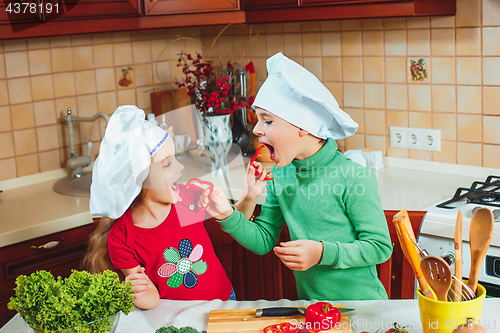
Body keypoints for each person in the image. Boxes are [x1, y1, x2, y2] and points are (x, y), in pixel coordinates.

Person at [200, 53, 393, 301]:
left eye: (267, 121)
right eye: (258, 120)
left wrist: (322, 253)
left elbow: (380, 247)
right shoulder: (282, 174)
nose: (257, 129)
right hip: (313, 309)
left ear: (303, 126)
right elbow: (263, 240)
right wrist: (228, 215)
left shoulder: (353, 177)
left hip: (364, 310)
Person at [83, 105, 268, 309]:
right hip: (177, 318)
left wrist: (250, 194)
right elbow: (151, 296)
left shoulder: (188, 199)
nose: (180, 167)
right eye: (167, 163)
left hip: (223, 303)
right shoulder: (122, 237)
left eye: (176, 158)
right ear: (138, 178)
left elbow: (234, 226)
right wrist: (137, 291)